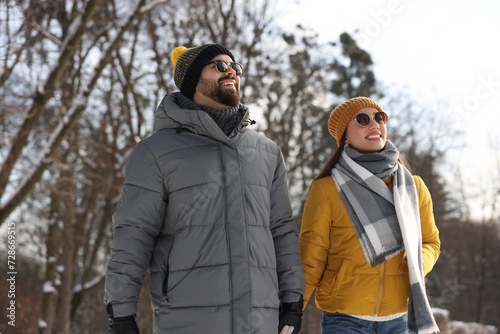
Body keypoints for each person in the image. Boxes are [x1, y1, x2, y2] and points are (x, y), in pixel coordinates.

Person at [104, 43, 305, 334]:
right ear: (193, 81)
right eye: (219, 66)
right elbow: (134, 232)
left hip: (260, 320)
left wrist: (292, 302)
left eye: (234, 67)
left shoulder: (267, 152)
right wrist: (121, 313)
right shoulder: (156, 152)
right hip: (187, 320)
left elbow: (281, 229)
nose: (231, 72)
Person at [299, 97, 441, 334]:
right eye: (362, 120)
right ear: (344, 135)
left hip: (399, 318)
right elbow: (311, 259)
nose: (374, 125)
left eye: (379, 117)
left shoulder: (413, 188)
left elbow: (431, 242)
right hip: (344, 318)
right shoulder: (326, 190)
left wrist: (417, 261)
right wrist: (293, 309)